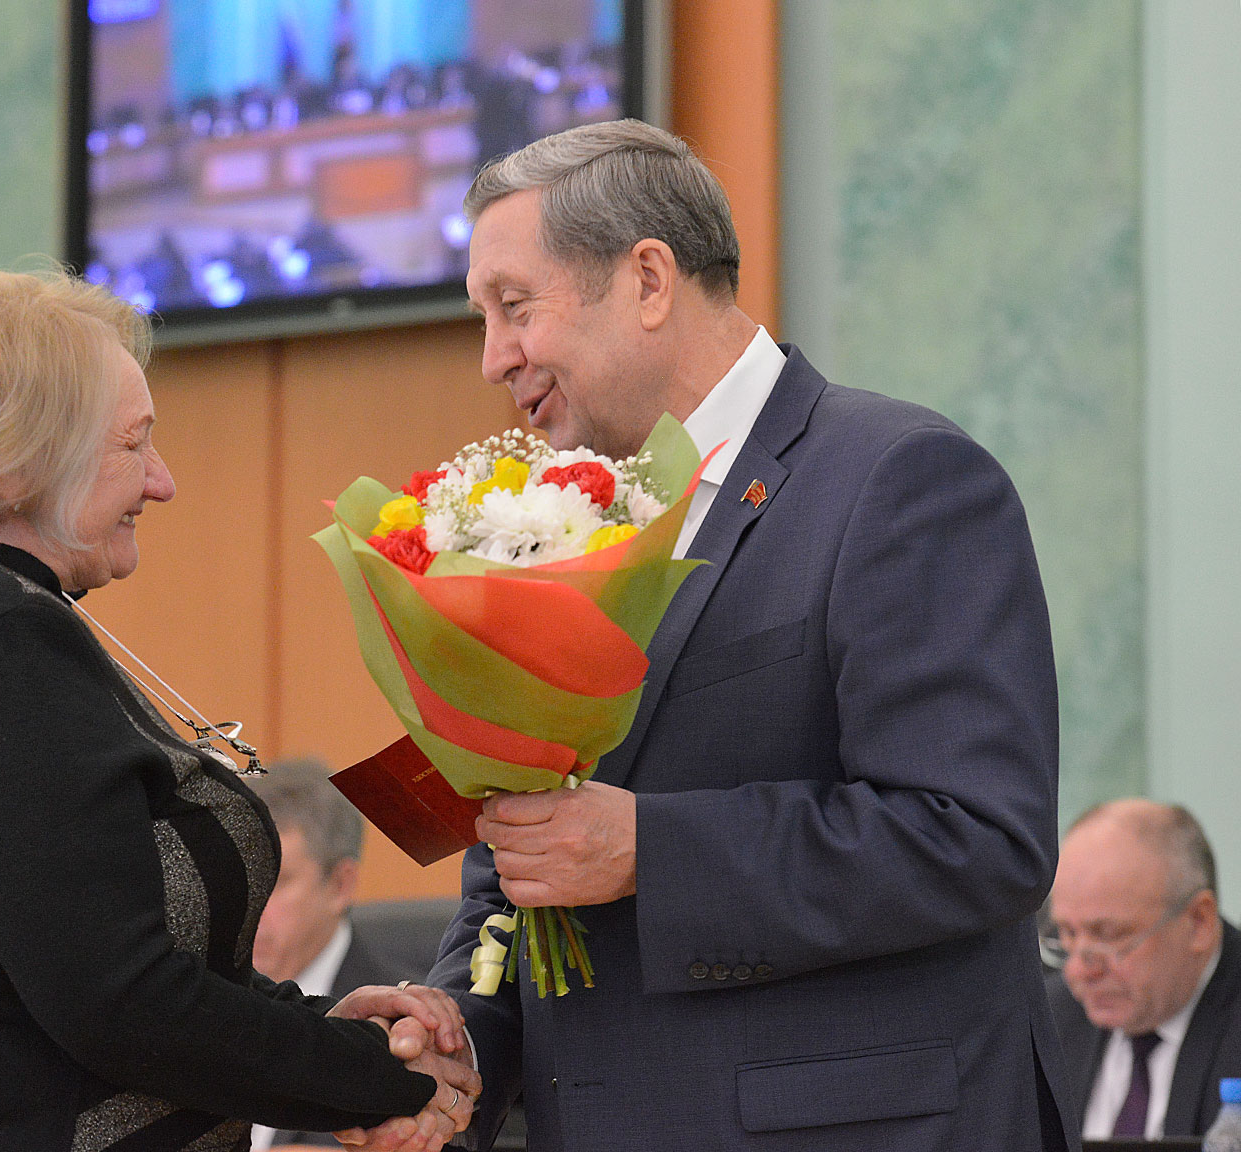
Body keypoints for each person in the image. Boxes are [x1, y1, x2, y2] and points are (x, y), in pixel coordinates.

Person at [360, 118, 1068, 1151]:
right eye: (483, 318)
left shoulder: (901, 478)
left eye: (514, 307)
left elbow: (980, 838)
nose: (492, 358)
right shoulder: (556, 527)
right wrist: (463, 1039)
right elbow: (529, 864)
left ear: (649, 280)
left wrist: (653, 850)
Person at [0, 266, 478, 1152]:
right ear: (18, 461)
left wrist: (317, 1031)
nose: (163, 482)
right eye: (134, 445)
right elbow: (117, 1000)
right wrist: (377, 1077)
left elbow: (99, 949)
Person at [247, 760, 433, 1151]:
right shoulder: (195, 996)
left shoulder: (405, 1028)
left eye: (277, 881)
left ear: (340, 885)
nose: (250, 905)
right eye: (243, 879)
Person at [1045, 799, 1241, 1139]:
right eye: (1067, 934)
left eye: (1109, 936)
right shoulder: (1049, 1021)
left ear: (1199, 922)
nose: (1078, 971)